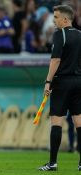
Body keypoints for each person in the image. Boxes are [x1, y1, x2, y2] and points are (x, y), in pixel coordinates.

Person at [38, 5, 81, 171]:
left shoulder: (59, 34)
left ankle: (53, 163)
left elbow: (55, 60)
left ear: (65, 19)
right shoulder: (80, 35)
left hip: (61, 82)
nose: (53, 20)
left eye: (56, 17)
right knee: (79, 122)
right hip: (78, 81)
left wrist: (48, 81)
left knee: (56, 122)